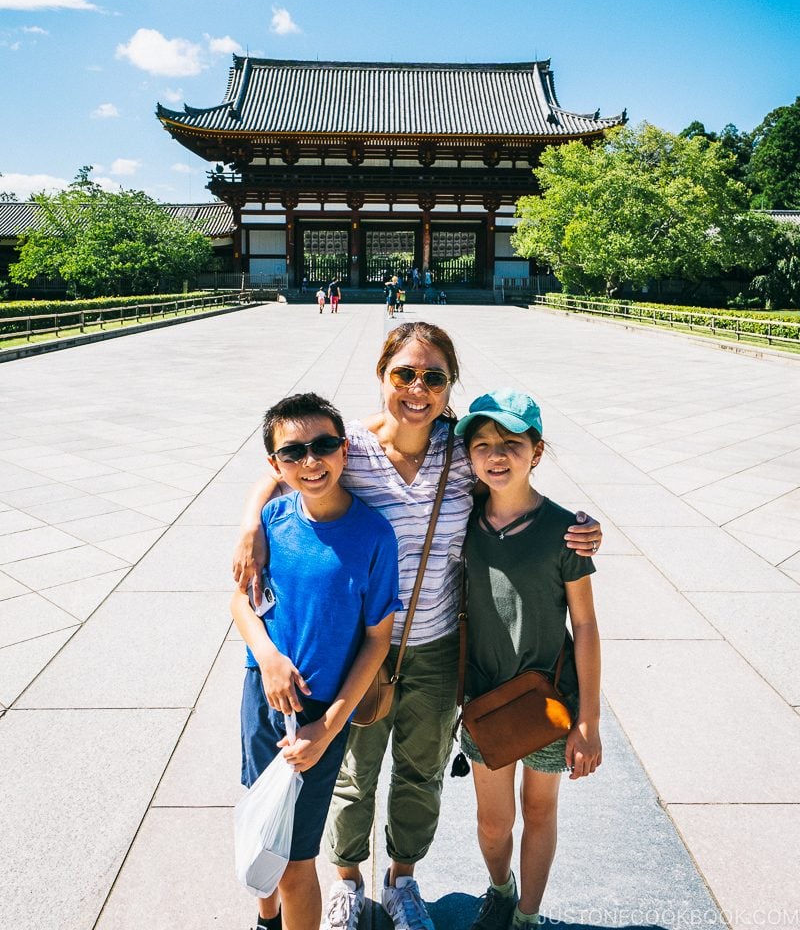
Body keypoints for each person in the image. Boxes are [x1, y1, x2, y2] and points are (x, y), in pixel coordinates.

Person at [232, 323, 603, 930]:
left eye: (433, 377)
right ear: (382, 377)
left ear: (449, 386)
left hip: (437, 644)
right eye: (404, 373)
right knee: (354, 770)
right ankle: (347, 879)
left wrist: (579, 528)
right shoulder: (348, 446)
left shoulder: (460, 452)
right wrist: (251, 525)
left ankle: (403, 878)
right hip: (362, 650)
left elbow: (513, 482)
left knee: (420, 770)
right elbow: (280, 470)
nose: (417, 388)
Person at [231, 392, 401, 930]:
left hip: (322, 712)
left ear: (344, 450)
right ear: (275, 465)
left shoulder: (374, 534)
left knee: (297, 855)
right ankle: (266, 919)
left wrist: (328, 730)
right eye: (294, 452)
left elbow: (377, 640)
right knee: (263, 821)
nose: (311, 461)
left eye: (324, 445)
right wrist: (268, 656)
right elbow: (240, 599)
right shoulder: (273, 522)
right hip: (263, 694)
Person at [455, 390, 602, 930]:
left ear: (536, 451)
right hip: (485, 700)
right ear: (469, 455)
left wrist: (588, 719)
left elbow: (584, 625)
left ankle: (528, 915)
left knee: (541, 812)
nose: (497, 455)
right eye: (484, 445)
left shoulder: (566, 530)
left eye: (512, 444)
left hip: (548, 704)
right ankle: (500, 886)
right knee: (494, 823)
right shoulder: (462, 520)